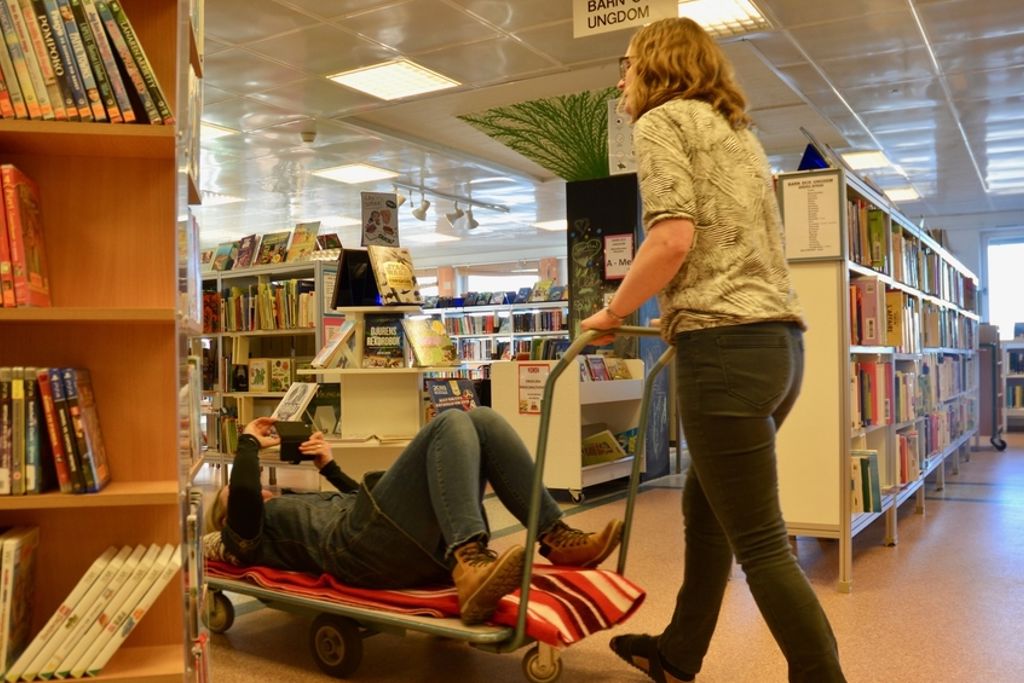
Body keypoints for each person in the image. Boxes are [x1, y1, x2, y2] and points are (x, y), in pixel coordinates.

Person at [580, 17, 846, 683]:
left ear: (659, 66)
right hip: (781, 348)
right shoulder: (739, 133)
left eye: (629, 62)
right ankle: (678, 652)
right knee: (707, 510)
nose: (621, 78)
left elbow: (671, 239)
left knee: (760, 542)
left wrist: (613, 313)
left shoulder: (661, 123)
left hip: (722, 349)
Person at [204, 407, 623, 625]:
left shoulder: (290, 505)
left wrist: (328, 467)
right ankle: (469, 559)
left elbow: (354, 502)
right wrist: (245, 443)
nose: (260, 490)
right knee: (449, 423)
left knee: (481, 419)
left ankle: (554, 536)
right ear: (228, 522)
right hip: (358, 552)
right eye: (237, 497)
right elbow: (243, 495)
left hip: (379, 537)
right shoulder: (245, 538)